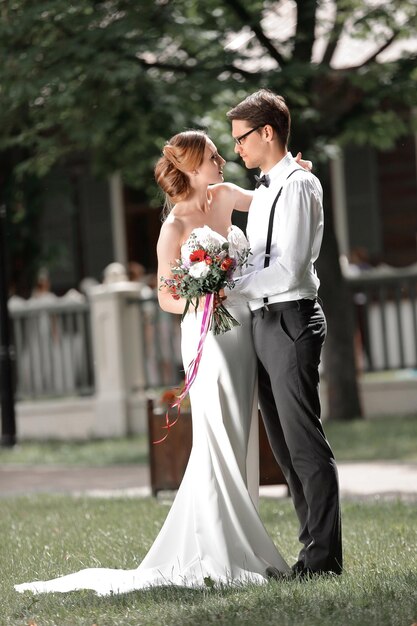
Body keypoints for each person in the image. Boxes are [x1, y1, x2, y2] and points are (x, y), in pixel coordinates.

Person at [16, 129, 313, 595]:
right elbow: (164, 297)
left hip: (244, 332)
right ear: (193, 167)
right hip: (207, 336)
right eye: (214, 156)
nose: (222, 161)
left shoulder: (227, 195)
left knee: (240, 434)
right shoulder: (174, 226)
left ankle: (242, 544)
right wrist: (202, 295)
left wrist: (297, 173)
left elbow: (271, 201)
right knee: (215, 435)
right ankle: (219, 551)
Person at [224, 89, 342, 578]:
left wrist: (230, 285)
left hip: (290, 318)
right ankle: (309, 552)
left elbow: (289, 269)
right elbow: (259, 260)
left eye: (242, 138)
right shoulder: (270, 185)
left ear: (267, 131)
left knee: (304, 445)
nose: (238, 150)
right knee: (283, 449)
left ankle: (323, 560)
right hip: (264, 322)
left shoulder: (295, 185)